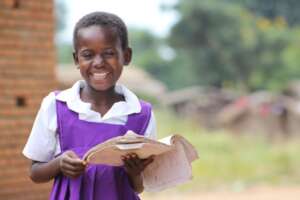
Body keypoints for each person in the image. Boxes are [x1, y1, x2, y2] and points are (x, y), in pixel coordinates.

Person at [23, 11, 156, 200]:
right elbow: (34, 172)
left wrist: (134, 173)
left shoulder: (141, 114)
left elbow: (140, 186)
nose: (99, 63)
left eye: (109, 53)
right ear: (77, 59)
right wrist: (59, 163)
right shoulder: (56, 106)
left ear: (126, 56)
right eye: (88, 55)